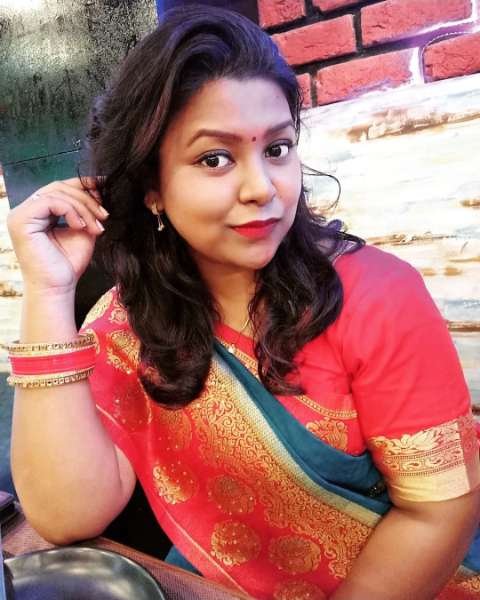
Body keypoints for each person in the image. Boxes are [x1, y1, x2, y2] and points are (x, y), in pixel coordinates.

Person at [5, 6, 480, 599]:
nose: (262, 187)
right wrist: (48, 292)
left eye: (277, 148)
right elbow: (64, 516)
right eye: (215, 159)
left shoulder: (377, 296)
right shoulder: (128, 324)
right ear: (153, 187)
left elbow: (437, 513)